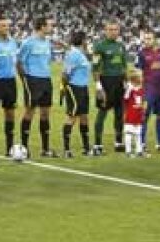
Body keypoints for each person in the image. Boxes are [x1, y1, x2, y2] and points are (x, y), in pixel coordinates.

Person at [19, 18, 57, 158]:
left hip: (46, 79)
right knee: (29, 112)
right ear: (42, 27)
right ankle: (24, 148)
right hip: (32, 80)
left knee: (45, 113)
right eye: (49, 25)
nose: (51, 27)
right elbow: (19, 62)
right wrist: (25, 80)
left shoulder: (47, 42)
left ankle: (45, 148)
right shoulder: (28, 42)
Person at [92, 20, 128, 155]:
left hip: (119, 82)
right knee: (102, 112)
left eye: (115, 29)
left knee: (119, 114)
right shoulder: (99, 46)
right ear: (105, 31)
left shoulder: (121, 46)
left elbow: (124, 66)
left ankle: (118, 142)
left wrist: (127, 82)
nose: (113, 32)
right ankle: (97, 144)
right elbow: (95, 67)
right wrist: (98, 86)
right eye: (110, 29)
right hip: (106, 82)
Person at [0, 17, 20, 157]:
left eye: (8, 25)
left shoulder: (13, 42)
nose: (6, 28)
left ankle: (9, 147)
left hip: (10, 82)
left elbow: (15, 61)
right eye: (3, 26)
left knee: (10, 114)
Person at [136, 28, 160, 151]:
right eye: (145, 39)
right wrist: (140, 88)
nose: (147, 41)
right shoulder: (141, 54)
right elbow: (139, 71)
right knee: (144, 116)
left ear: (155, 39)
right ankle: (142, 143)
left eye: (149, 38)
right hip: (148, 89)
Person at [61, 29, 92, 158]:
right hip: (74, 88)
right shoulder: (73, 54)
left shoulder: (80, 53)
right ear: (83, 41)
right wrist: (64, 88)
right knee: (72, 116)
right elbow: (65, 73)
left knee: (84, 116)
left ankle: (86, 147)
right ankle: (67, 149)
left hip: (83, 87)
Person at [122, 69, 146, 158]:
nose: (142, 78)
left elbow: (142, 101)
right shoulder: (130, 89)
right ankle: (128, 152)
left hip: (138, 114)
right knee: (129, 133)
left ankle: (139, 151)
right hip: (130, 114)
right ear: (135, 79)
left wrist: (142, 110)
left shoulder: (141, 89)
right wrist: (129, 87)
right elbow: (125, 99)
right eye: (140, 77)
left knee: (138, 133)